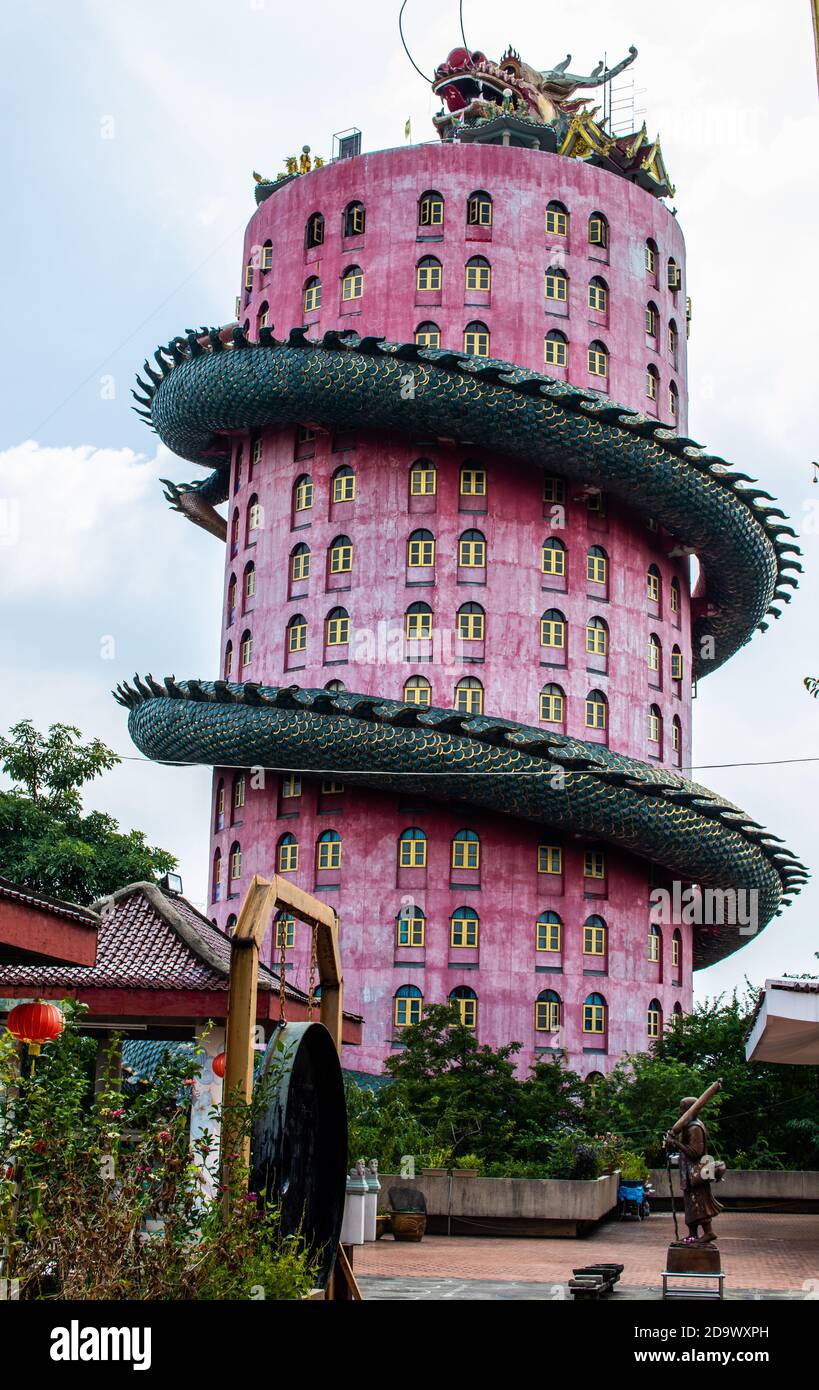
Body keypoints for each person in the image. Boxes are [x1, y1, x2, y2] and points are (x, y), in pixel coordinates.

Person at [665, 1096, 723, 1244]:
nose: (679, 1111)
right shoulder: (688, 1126)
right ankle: (692, 1235)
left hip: (696, 1174)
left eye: (681, 1108)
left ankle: (709, 1232)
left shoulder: (695, 1127)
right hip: (689, 1174)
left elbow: (695, 1153)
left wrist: (676, 1143)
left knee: (699, 1203)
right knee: (691, 1205)